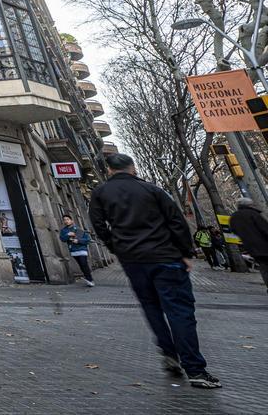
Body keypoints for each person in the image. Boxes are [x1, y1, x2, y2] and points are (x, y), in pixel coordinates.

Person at [89, 153, 221, 389]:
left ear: (109, 170)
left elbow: (98, 226)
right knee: (179, 312)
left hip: (133, 260)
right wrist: (185, 253)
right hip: (166, 257)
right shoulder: (152, 190)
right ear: (133, 168)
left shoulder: (99, 194)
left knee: (151, 307)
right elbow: (176, 221)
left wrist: (116, 247)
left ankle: (169, 352)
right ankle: (196, 370)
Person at [228, 197, 268, 292]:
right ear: (249, 205)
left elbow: (234, 231)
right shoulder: (253, 214)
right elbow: (265, 230)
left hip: (252, 248)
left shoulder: (233, 217)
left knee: (264, 268)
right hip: (265, 245)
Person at [59, 215, 95, 286]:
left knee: (84, 264)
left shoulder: (78, 229)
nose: (66, 221)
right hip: (73, 250)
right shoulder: (64, 230)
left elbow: (87, 240)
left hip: (82, 249)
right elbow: (62, 239)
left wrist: (78, 241)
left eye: (68, 219)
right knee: (81, 265)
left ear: (71, 220)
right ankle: (88, 278)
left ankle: (90, 280)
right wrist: (68, 235)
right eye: (64, 220)